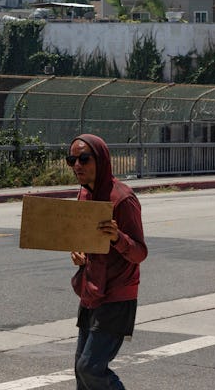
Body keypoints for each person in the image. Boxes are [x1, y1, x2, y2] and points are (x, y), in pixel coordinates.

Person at [68, 134, 147, 390]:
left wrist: (117, 238)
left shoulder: (123, 199)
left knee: (90, 368)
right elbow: (86, 244)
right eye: (72, 160)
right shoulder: (84, 196)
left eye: (84, 158)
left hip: (117, 296)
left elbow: (140, 253)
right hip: (91, 291)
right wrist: (80, 256)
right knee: (82, 371)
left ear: (100, 160)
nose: (77, 165)